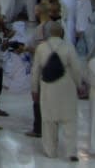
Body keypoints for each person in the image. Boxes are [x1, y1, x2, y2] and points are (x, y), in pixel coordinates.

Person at [31, 20, 85, 161]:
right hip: (66, 87)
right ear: (62, 33)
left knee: (49, 121)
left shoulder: (41, 48)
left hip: (48, 87)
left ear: (48, 34)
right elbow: (76, 69)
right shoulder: (69, 47)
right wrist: (80, 86)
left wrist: (34, 89)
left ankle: (51, 151)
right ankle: (71, 152)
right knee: (70, 120)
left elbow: (35, 71)